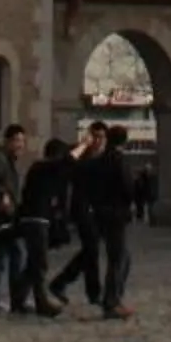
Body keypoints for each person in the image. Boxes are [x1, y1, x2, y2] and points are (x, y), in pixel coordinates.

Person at [73, 120, 136, 319]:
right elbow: (127, 187)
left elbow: (84, 179)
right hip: (116, 214)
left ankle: (112, 299)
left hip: (100, 212)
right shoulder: (118, 160)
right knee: (119, 259)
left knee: (117, 257)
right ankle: (112, 301)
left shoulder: (98, 161)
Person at [0, 124, 37, 313]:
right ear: (8, 141)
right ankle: (1, 300)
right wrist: (2, 194)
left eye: (22, 141)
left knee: (7, 257)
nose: (21, 145)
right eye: (17, 141)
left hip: (9, 216)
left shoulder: (7, 160)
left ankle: (6, 299)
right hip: (0, 217)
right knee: (6, 257)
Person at [14, 137, 74, 316]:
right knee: (40, 263)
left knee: (33, 263)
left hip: (37, 220)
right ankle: (41, 303)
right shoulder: (42, 167)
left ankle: (18, 299)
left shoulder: (44, 170)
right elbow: (66, 162)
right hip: (35, 220)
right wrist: (84, 145)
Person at [49, 129, 106, 308]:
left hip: (95, 210)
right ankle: (90, 292)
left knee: (91, 250)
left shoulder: (103, 159)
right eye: (95, 137)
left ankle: (66, 284)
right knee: (92, 248)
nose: (97, 141)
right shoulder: (82, 157)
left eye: (101, 137)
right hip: (81, 209)